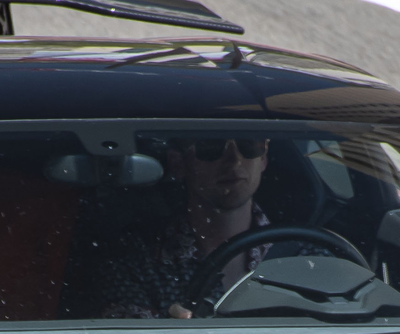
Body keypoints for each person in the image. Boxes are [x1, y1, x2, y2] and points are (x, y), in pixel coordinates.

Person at [63, 135, 275, 320]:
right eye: (210, 147)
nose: (234, 160)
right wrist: (172, 332)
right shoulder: (136, 260)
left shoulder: (303, 253)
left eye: (250, 145)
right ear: (178, 163)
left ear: (263, 158)